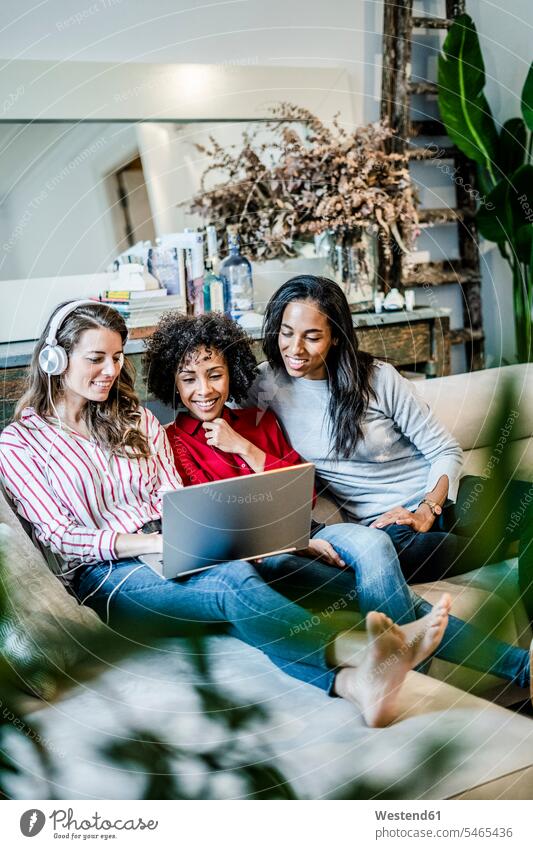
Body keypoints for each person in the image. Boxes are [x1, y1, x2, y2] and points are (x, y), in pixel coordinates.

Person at [0, 299, 452, 729]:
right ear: (55, 359)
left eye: (117, 358)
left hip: (181, 546)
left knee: (341, 583)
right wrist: (156, 542)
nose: (110, 371)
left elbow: (175, 495)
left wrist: (243, 537)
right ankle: (356, 675)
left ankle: (519, 667)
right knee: (233, 583)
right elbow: (62, 536)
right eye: (96, 358)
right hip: (111, 577)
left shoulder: (135, 419)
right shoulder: (19, 444)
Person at [144, 310, 533, 700]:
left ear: (231, 374)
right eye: (189, 378)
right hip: (265, 554)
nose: (205, 389)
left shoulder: (256, 421)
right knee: (384, 590)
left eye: (215, 374)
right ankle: (508, 669)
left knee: (376, 545)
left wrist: (243, 447)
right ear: (172, 384)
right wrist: (288, 539)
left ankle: (416, 675)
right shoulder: (171, 442)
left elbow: (305, 488)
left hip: (312, 528)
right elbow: (206, 520)